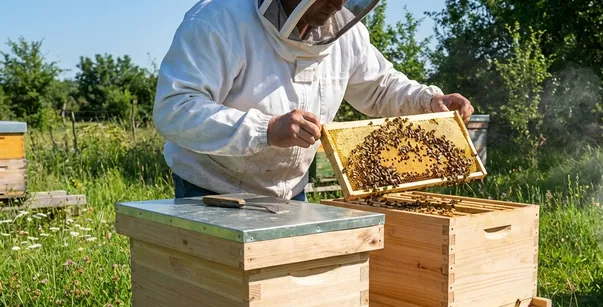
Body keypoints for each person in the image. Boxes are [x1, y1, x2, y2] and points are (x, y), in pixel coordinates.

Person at [153, 0, 475, 202]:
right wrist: (266, 129)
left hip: (291, 192)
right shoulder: (218, 20)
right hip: (211, 191)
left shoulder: (346, 34)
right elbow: (176, 108)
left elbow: (380, 87)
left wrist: (428, 101)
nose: (338, 4)